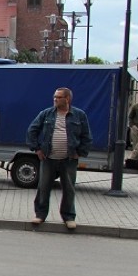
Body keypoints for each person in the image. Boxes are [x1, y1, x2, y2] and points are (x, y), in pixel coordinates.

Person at [26, 87, 92, 230]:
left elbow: (87, 136)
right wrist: (37, 149)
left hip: (69, 159)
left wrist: (79, 152)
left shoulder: (79, 115)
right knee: (43, 187)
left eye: (58, 97)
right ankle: (40, 215)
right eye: (54, 96)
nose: (55, 99)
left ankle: (69, 217)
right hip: (48, 158)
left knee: (69, 188)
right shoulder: (46, 114)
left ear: (67, 99)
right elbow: (32, 130)